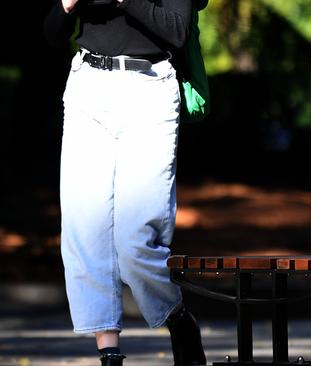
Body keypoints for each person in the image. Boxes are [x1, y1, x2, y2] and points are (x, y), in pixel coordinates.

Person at [43, 0, 206, 365]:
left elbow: (177, 31)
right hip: (88, 87)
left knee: (135, 240)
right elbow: (51, 34)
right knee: (86, 228)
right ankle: (109, 353)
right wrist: (67, 6)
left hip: (150, 89)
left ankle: (176, 316)